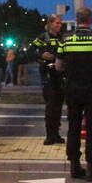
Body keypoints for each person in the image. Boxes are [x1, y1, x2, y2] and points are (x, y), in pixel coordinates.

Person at [54, 7, 92, 181]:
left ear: (76, 19)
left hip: (72, 89)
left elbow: (58, 66)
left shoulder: (66, 40)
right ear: (90, 20)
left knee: (73, 127)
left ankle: (74, 165)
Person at [31, 14, 65, 144]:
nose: (59, 25)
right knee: (51, 104)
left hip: (60, 74)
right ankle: (49, 135)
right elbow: (31, 51)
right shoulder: (43, 37)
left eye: (60, 23)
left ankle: (56, 133)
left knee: (58, 105)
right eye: (57, 23)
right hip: (48, 74)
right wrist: (41, 55)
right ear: (50, 24)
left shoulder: (61, 38)